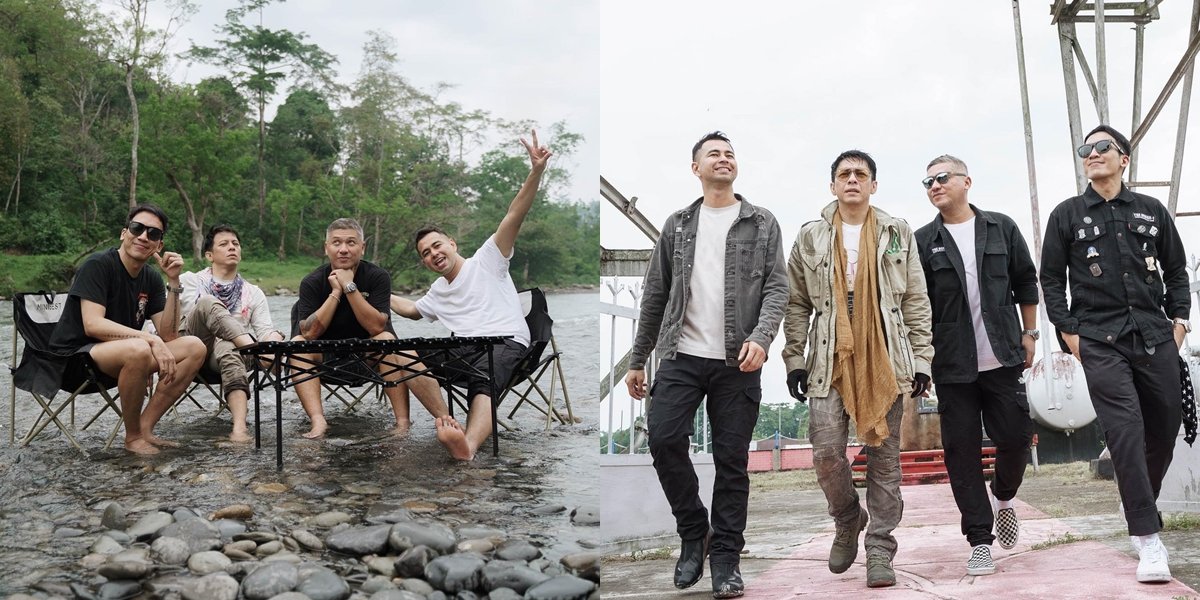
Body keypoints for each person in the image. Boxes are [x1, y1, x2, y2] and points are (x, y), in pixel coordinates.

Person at [622, 131, 788, 599]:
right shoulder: (677, 225)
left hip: (739, 361)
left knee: (731, 463)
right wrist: (639, 360)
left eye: (729, 153)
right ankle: (695, 530)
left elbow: (778, 288)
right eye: (713, 153)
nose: (724, 158)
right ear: (695, 168)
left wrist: (761, 337)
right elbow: (655, 294)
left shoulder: (762, 222)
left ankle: (726, 560)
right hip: (681, 355)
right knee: (664, 437)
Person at [1041, 124, 1190, 584]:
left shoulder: (1151, 210)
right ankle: (1148, 538)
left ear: (1124, 158)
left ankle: (1135, 494)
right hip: (1099, 340)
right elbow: (1051, 280)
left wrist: (1180, 322)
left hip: (1154, 335)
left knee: (1164, 425)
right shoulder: (1066, 215)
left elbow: (1176, 270)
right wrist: (1069, 334)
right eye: (1086, 149)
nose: (1092, 154)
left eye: (1102, 147)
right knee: (1124, 430)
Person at [782, 150, 933, 588]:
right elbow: (796, 303)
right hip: (829, 357)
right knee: (826, 452)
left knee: (885, 462)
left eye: (860, 174)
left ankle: (880, 549)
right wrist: (794, 359)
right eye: (844, 174)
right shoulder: (810, 236)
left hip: (884, 356)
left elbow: (915, 301)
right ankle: (848, 517)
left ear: (873, 185)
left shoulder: (896, 232)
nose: (852, 180)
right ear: (832, 186)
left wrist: (921, 361)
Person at [391, 130, 552, 461]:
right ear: (424, 262)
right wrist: (376, 294)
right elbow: (411, 311)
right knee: (402, 351)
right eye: (425, 253)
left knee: (484, 376)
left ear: (452, 243)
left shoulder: (488, 259)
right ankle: (446, 420)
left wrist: (535, 171)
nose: (433, 254)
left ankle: (469, 446)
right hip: (463, 348)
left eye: (437, 245)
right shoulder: (437, 290)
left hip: (507, 342)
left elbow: (514, 214)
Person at [914, 155, 1038, 576]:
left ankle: (1004, 496)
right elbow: (918, 306)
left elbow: (1026, 279)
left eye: (942, 177)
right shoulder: (922, 240)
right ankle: (979, 540)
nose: (934, 185)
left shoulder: (1001, 227)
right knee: (960, 453)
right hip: (952, 366)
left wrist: (1031, 332)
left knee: (1017, 437)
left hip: (1003, 355)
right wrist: (922, 362)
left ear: (966, 181)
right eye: (927, 181)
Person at [48, 204, 206, 455]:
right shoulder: (98, 265)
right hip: (74, 360)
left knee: (194, 347)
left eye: (153, 234)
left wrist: (174, 282)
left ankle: (144, 428)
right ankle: (132, 439)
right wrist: (149, 340)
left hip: (121, 357)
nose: (144, 236)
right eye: (137, 228)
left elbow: (169, 336)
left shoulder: (152, 278)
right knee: (140, 349)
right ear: (124, 233)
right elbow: (93, 324)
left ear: (159, 246)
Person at [292, 217, 445, 439]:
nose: (343, 249)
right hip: (325, 361)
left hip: (369, 359)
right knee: (297, 346)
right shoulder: (312, 282)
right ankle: (318, 421)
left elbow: (376, 326)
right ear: (326, 248)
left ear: (362, 248)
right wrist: (335, 292)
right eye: (336, 243)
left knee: (386, 339)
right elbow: (309, 333)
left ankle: (402, 423)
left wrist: (349, 287)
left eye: (351, 243)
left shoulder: (377, 277)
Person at [179, 224, 285, 442]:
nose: (232, 248)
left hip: (231, 356)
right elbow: (163, 320)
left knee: (227, 346)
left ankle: (239, 429)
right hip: (193, 349)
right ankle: (250, 347)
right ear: (209, 255)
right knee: (207, 302)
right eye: (224, 244)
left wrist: (275, 339)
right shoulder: (190, 281)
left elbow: (265, 330)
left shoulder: (252, 292)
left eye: (235, 244)